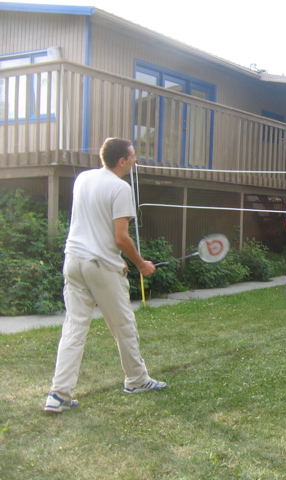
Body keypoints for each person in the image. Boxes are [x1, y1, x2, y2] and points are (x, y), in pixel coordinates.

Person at [44, 137, 166, 414]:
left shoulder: (84, 179)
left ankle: (58, 395)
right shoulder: (121, 188)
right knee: (124, 326)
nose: (135, 160)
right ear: (121, 160)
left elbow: (94, 227)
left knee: (74, 329)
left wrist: (117, 260)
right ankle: (136, 380)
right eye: (133, 156)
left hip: (73, 261)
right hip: (99, 266)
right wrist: (140, 264)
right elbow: (121, 237)